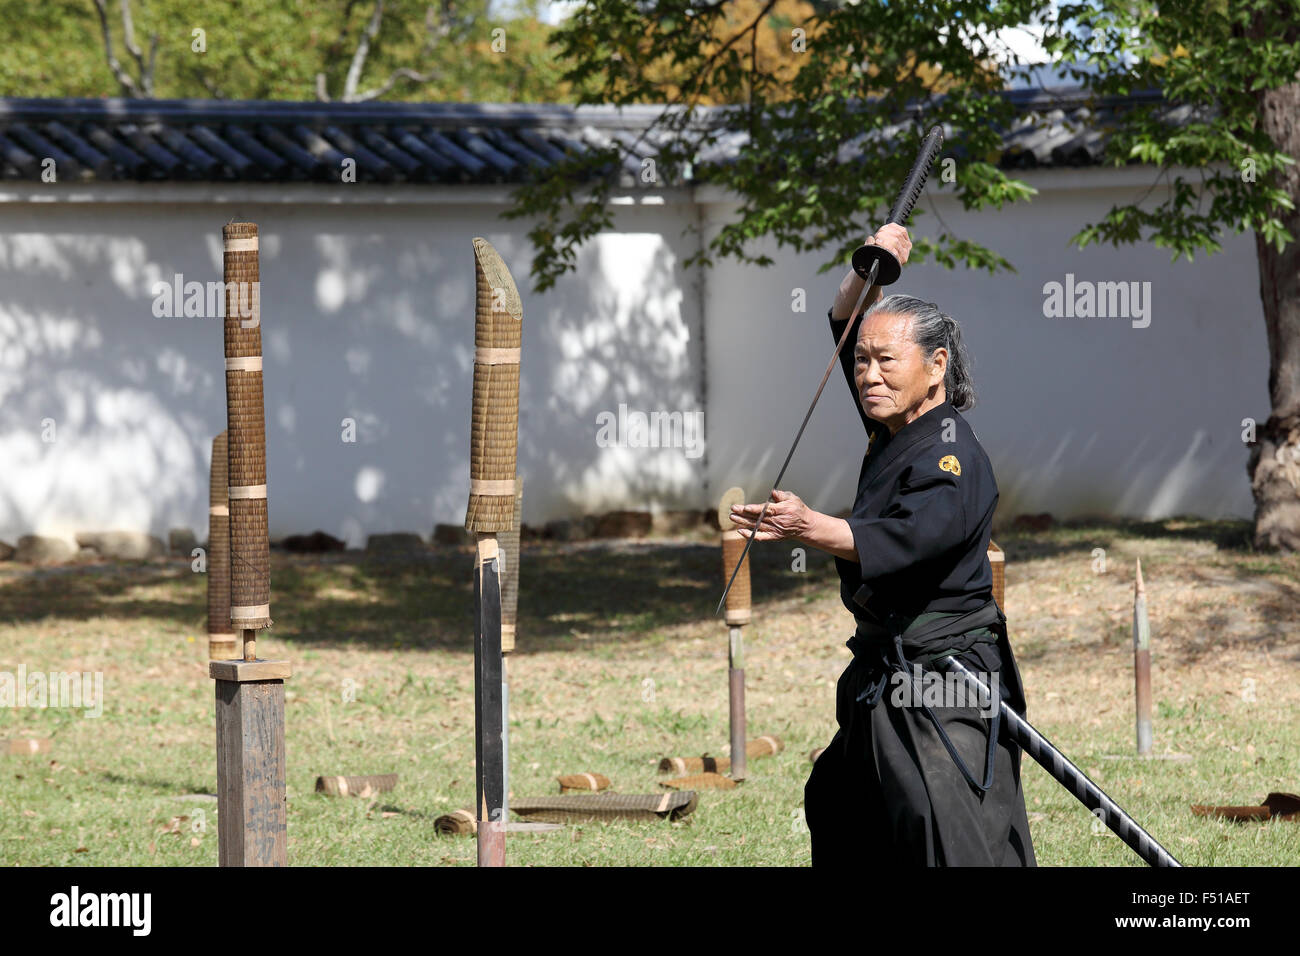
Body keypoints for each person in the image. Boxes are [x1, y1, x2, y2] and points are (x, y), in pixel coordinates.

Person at [728, 223, 1036, 866]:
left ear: (937, 366)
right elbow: (844, 318)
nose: (868, 374)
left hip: (945, 679)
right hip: (886, 671)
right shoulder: (893, 421)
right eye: (862, 360)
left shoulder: (953, 457)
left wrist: (808, 527)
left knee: (944, 833)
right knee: (841, 803)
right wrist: (869, 264)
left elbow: (909, 538)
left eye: (885, 361)